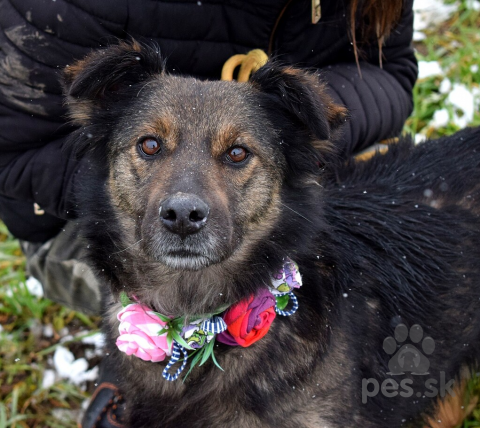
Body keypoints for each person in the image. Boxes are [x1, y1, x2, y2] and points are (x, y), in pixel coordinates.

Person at [0, 0, 417, 426]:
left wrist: (271, 115)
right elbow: (15, 153)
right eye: (150, 146)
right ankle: (132, 359)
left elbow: (391, 71)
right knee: (148, 274)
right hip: (63, 218)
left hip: (270, 188)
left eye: (235, 154)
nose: (185, 203)